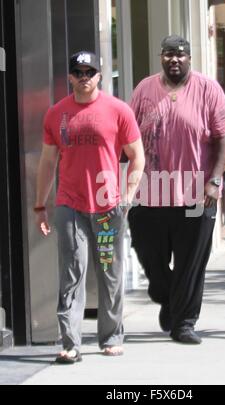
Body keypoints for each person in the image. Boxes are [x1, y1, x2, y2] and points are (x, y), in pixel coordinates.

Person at [34, 51, 145, 362]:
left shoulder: (118, 110)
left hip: (108, 208)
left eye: (89, 71)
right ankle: (70, 343)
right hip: (70, 205)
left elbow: (137, 156)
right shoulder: (56, 113)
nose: (84, 76)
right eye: (78, 72)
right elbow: (47, 161)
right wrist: (39, 205)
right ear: (70, 77)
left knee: (109, 271)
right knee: (71, 272)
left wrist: (127, 195)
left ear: (99, 75)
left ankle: (111, 336)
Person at [128, 35, 225, 344]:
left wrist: (215, 180)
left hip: (196, 194)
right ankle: (167, 295)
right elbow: (129, 135)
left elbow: (224, 137)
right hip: (150, 192)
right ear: (161, 58)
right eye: (168, 54)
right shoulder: (144, 89)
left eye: (180, 55)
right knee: (148, 252)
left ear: (189, 58)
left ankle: (184, 323)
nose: (174, 59)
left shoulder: (208, 89)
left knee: (191, 262)